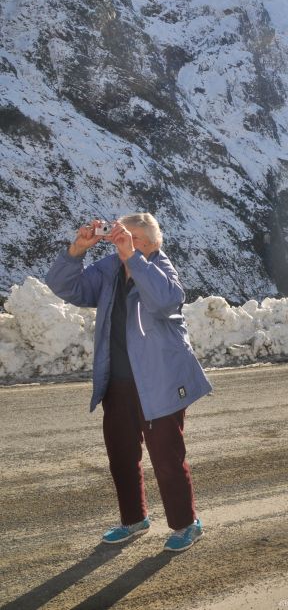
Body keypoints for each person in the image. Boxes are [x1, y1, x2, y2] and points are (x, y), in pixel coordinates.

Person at [45, 213, 212, 552]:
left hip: (160, 381)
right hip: (118, 381)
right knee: (121, 455)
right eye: (121, 235)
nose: (123, 241)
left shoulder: (161, 269)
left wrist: (132, 258)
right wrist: (77, 249)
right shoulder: (109, 270)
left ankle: (186, 523)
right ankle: (134, 519)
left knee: (167, 458)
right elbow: (66, 286)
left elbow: (165, 301)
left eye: (132, 237)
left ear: (150, 244)